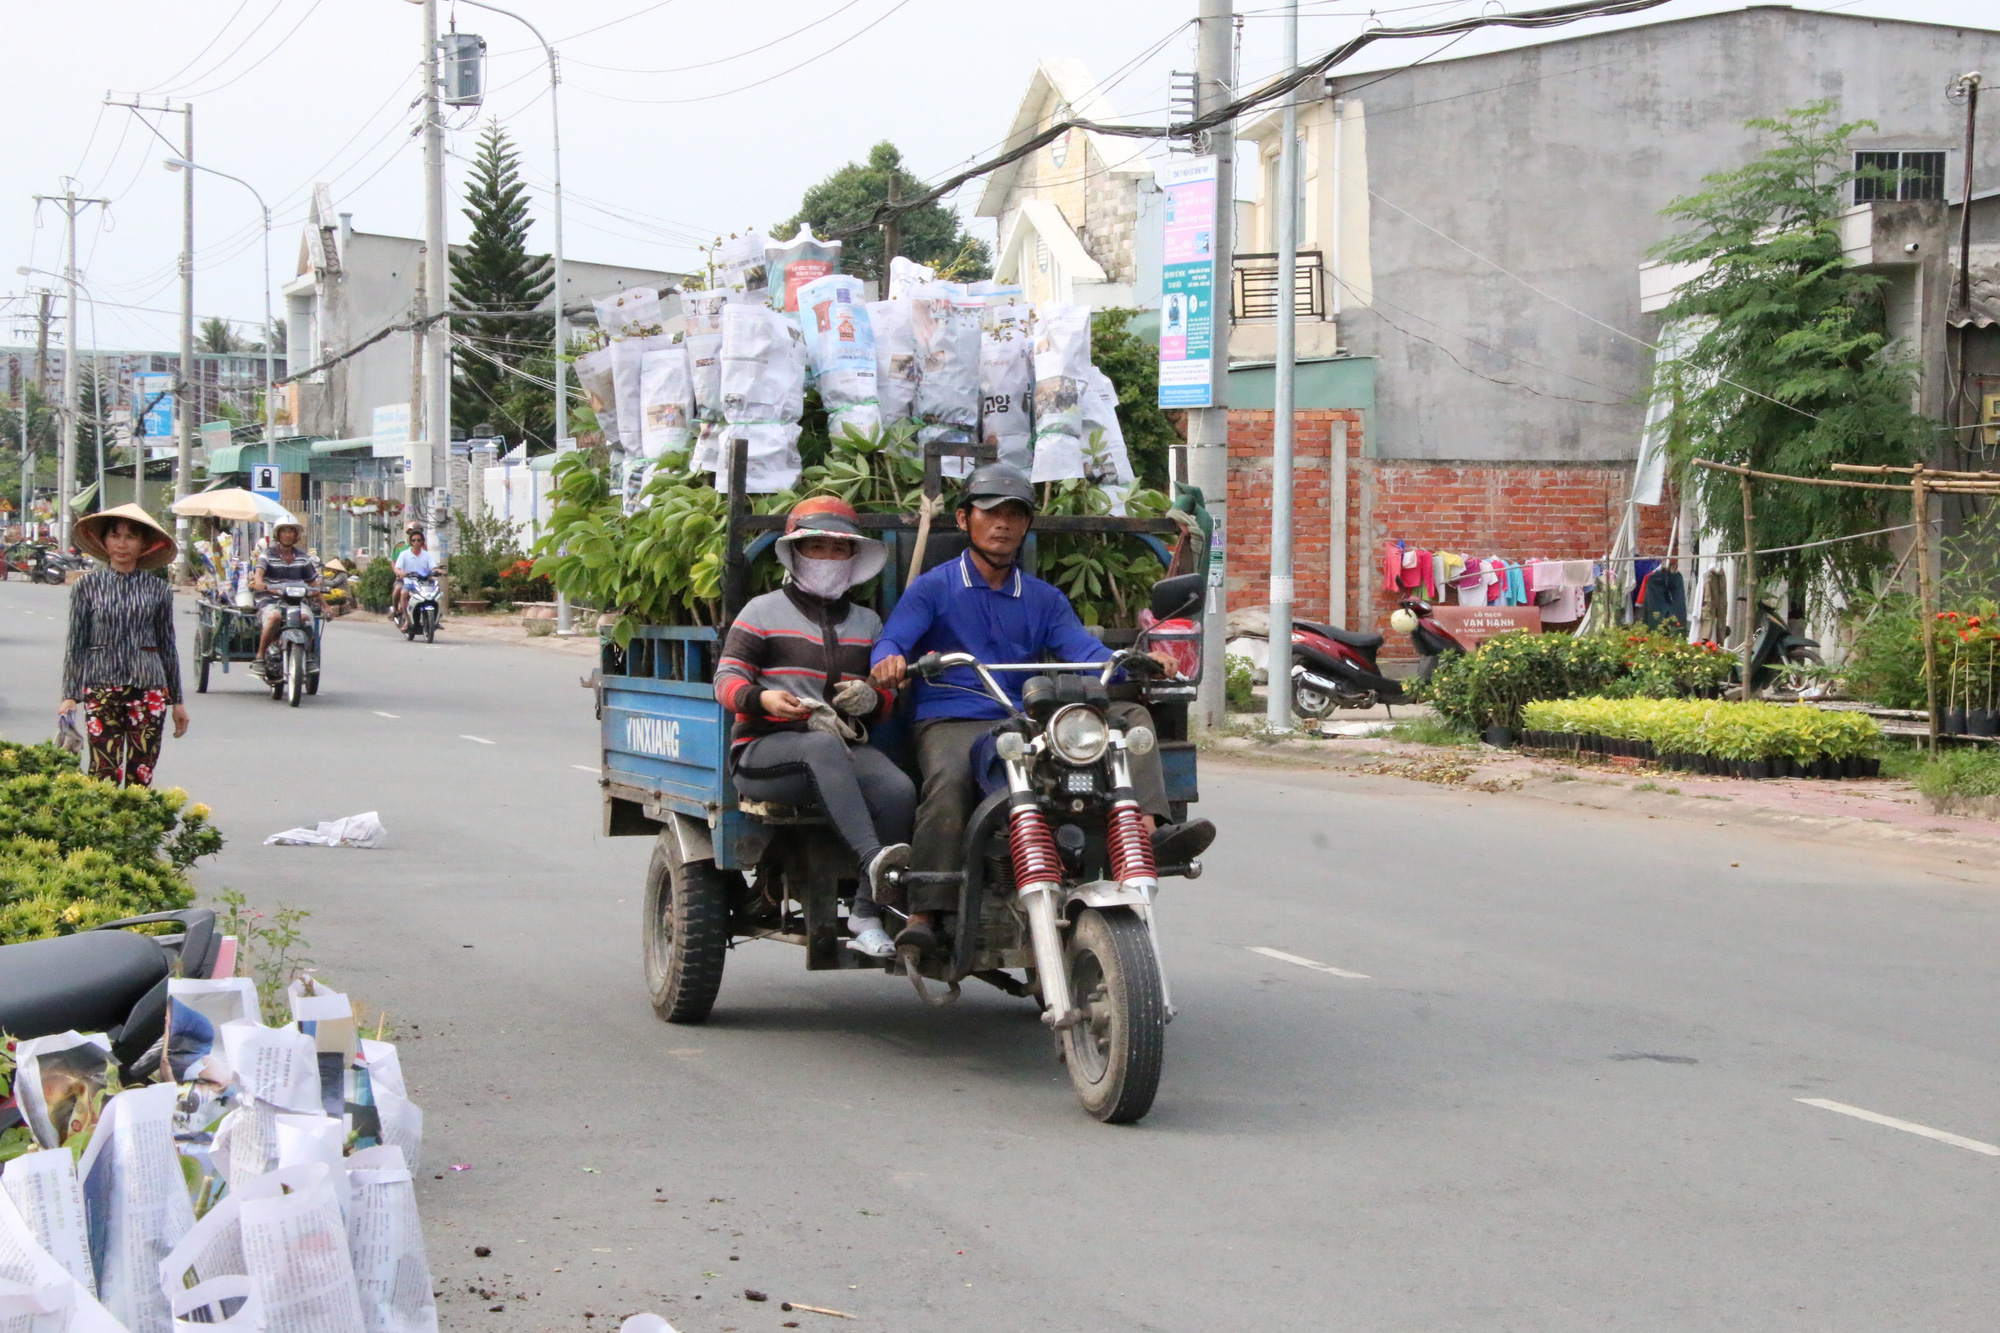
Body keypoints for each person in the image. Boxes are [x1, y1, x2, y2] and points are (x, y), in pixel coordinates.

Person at [870, 463, 1213, 952]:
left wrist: (1134, 662)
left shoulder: (1043, 598)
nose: (1003, 524)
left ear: (1026, 525)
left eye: (1015, 515)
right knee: (948, 780)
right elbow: (892, 640)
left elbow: (1085, 652)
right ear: (965, 520)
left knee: (1130, 721)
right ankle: (925, 908)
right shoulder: (934, 587)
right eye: (990, 514)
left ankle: (1148, 831)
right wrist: (888, 661)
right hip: (955, 715)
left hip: (1026, 718)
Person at [714, 497, 914, 958]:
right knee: (821, 746)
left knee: (898, 789)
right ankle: (873, 859)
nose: (827, 558)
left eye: (838, 550)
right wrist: (762, 698)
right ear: (797, 555)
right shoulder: (761, 612)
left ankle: (866, 913)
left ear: (852, 560)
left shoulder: (867, 623)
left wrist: (872, 698)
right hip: (765, 753)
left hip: (837, 751)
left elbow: (882, 701)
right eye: (816, 547)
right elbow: (725, 680)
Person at [59, 504, 188, 787]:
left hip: (149, 689)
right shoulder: (87, 587)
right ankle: (106, 829)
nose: (122, 544)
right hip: (101, 686)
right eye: (115, 535)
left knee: (141, 771)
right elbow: (76, 643)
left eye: (131, 537)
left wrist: (177, 701)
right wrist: (70, 695)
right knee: (102, 771)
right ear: (104, 541)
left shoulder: (158, 590)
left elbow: (167, 645)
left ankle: (135, 828)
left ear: (143, 545)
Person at [250, 521, 321, 668]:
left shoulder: (303, 557)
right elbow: (259, 571)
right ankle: (260, 655)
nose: (287, 535)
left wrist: (325, 605)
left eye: (291, 531)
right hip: (270, 599)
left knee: (306, 618)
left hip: (295, 600)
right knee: (275, 617)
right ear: (278, 534)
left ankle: (307, 657)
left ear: (296, 535)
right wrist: (258, 582)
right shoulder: (267, 555)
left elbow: (313, 583)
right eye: (284, 531)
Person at [391, 527, 442, 624]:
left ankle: (436, 619)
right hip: (410, 582)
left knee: (437, 593)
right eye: (414, 540)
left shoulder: (426, 554)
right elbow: (396, 566)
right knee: (403, 593)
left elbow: (432, 567)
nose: (416, 543)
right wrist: (400, 573)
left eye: (419, 540)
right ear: (410, 541)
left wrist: (438, 571)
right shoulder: (403, 552)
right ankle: (407, 619)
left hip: (424, 582)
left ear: (422, 541)